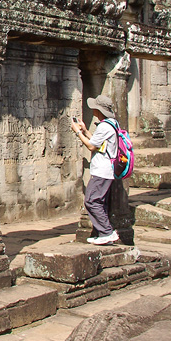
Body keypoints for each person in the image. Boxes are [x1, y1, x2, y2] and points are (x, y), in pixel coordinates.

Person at [71, 94, 120, 245]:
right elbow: (97, 142)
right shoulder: (112, 123)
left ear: (99, 110)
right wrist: (85, 131)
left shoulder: (105, 126)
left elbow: (91, 146)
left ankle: (107, 232)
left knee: (91, 201)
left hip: (102, 171)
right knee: (99, 201)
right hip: (106, 169)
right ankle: (104, 234)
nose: (92, 109)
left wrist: (77, 132)